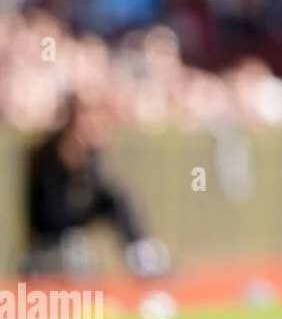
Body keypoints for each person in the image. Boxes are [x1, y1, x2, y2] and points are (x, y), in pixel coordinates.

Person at [21, 95, 171, 280]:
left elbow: (103, 194)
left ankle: (140, 253)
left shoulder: (90, 155)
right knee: (74, 246)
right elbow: (49, 213)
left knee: (117, 199)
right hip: (50, 234)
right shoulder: (46, 156)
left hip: (72, 220)